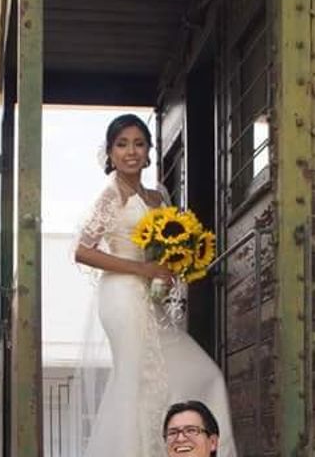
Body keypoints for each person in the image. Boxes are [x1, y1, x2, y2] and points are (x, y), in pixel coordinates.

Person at [74, 114, 237, 457]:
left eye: (138, 143)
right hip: (121, 295)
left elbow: (170, 243)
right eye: (122, 144)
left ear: (148, 151)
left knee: (205, 373)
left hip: (151, 297)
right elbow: (83, 251)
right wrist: (142, 268)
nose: (130, 151)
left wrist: (176, 265)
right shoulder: (110, 195)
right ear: (110, 153)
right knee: (137, 381)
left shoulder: (158, 194)